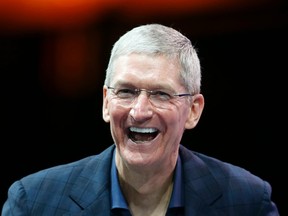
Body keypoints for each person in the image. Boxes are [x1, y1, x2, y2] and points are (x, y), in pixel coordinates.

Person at [1, 23, 279, 216]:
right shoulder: (34, 201)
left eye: (160, 94)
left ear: (193, 110)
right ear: (106, 102)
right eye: (126, 91)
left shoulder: (247, 200)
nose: (140, 111)